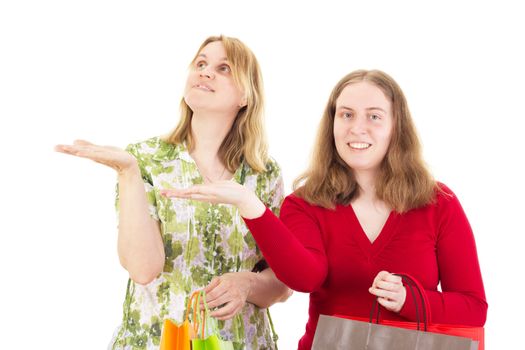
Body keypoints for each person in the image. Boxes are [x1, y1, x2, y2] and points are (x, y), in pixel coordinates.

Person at [162, 69, 488, 349]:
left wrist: (411, 302)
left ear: (396, 126)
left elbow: (474, 308)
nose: (357, 128)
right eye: (346, 114)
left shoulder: (438, 203)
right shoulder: (305, 204)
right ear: (332, 124)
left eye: (373, 116)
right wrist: (251, 206)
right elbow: (305, 277)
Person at [55, 35, 291, 350]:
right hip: (157, 342)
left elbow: (283, 282)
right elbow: (143, 268)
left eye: (223, 68)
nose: (205, 72)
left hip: (241, 342)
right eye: (201, 64)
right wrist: (128, 172)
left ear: (246, 95)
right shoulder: (146, 159)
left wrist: (248, 284)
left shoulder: (264, 174)